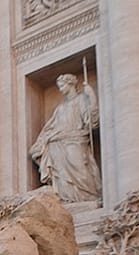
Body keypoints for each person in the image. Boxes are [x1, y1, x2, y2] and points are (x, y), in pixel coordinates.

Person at [29, 73, 101, 204]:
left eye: (62, 85)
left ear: (70, 84)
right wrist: (41, 142)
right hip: (58, 142)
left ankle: (88, 197)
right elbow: (50, 127)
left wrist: (91, 96)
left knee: (80, 167)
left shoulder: (82, 99)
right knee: (61, 173)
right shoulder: (60, 108)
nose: (61, 89)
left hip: (76, 139)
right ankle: (67, 199)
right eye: (59, 86)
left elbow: (91, 121)